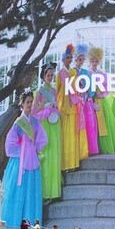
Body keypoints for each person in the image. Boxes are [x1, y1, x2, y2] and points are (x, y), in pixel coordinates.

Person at [0, 92, 48, 229]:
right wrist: (23, 150)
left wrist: (33, 149)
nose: (29, 104)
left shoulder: (35, 122)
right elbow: (9, 145)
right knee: (13, 196)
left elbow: (43, 139)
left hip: (32, 162)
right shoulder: (18, 123)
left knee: (31, 196)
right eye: (27, 102)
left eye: (31, 101)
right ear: (22, 104)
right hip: (19, 163)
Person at [33, 62, 62, 199]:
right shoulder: (39, 92)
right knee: (46, 153)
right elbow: (33, 111)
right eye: (48, 75)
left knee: (54, 154)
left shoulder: (55, 90)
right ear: (43, 76)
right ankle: (45, 191)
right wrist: (45, 106)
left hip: (54, 122)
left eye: (52, 75)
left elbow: (57, 106)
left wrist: (55, 106)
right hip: (44, 124)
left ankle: (54, 190)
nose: (50, 77)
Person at [90, 47, 115, 154]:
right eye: (93, 61)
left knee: (103, 123)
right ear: (90, 61)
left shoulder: (103, 75)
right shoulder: (86, 74)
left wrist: (102, 95)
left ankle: (102, 146)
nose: (94, 63)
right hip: (89, 102)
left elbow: (107, 89)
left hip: (101, 101)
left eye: (96, 61)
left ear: (99, 62)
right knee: (92, 123)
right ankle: (93, 146)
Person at [56, 44, 80, 171]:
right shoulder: (60, 73)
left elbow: (76, 88)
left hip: (73, 105)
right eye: (67, 57)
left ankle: (72, 163)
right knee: (64, 136)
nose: (69, 60)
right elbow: (57, 90)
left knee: (72, 135)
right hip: (63, 106)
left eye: (71, 57)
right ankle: (65, 164)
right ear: (63, 59)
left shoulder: (73, 72)